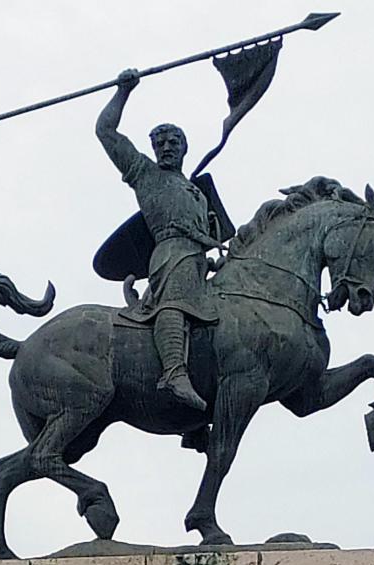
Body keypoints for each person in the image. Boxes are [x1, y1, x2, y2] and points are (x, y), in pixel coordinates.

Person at [95, 68, 221, 411]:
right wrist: (123, 92)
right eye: (159, 144)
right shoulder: (145, 174)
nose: (166, 148)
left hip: (198, 261)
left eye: (173, 143)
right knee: (176, 304)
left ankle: (204, 403)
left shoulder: (195, 192)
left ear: (184, 148)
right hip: (170, 253)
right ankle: (173, 374)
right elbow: (105, 131)